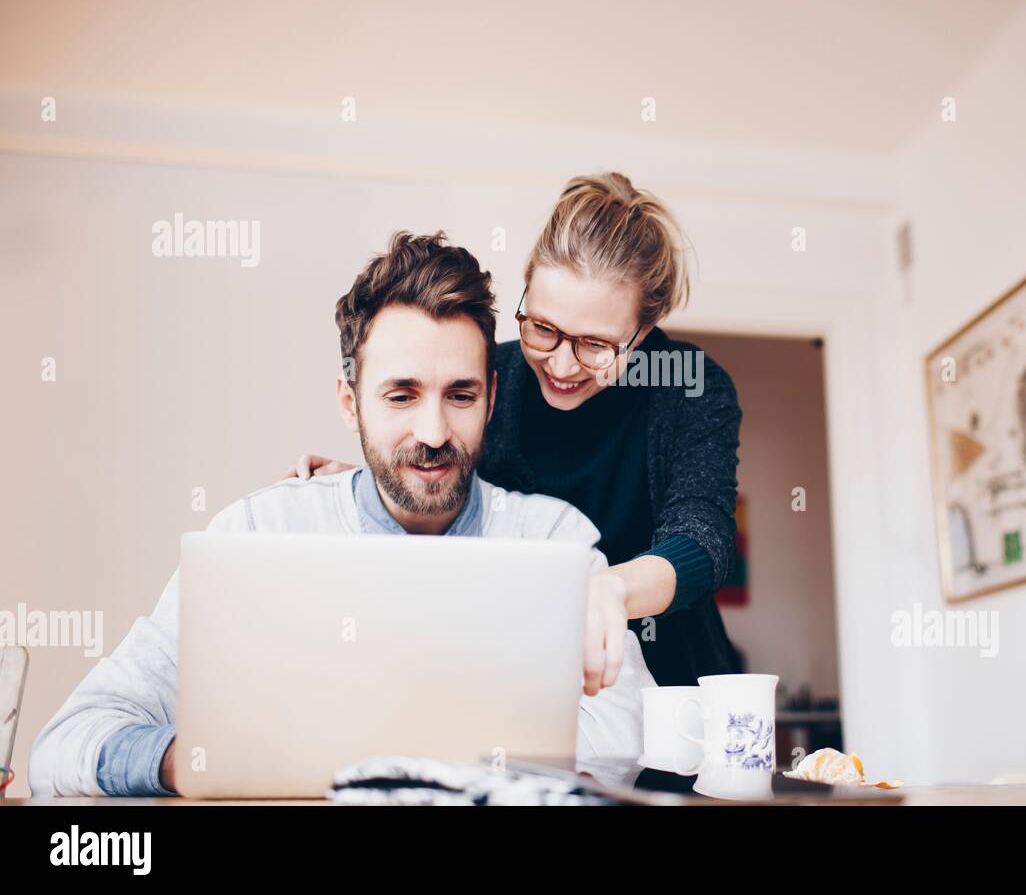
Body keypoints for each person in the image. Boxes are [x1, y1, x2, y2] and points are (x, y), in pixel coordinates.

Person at [28, 231, 653, 797]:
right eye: (401, 395)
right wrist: (189, 759)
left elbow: (624, 742)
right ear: (350, 403)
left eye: (460, 395)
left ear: (490, 401)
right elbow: (64, 744)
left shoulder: (556, 544)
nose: (433, 433)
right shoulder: (256, 536)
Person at [289, 173, 743, 690]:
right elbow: (455, 478)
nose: (563, 365)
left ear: (643, 333)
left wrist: (610, 589)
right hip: (534, 674)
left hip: (672, 684)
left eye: (596, 345)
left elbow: (703, 537)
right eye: (543, 328)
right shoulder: (493, 375)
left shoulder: (687, 384)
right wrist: (386, 475)